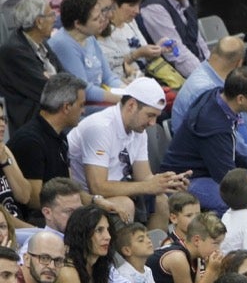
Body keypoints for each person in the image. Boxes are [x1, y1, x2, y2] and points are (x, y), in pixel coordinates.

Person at [67, 77, 186, 229]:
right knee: (125, 204)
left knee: (160, 200)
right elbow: (97, 187)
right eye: (150, 115)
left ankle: (156, 251)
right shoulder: (100, 127)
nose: (153, 123)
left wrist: (168, 182)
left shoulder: (139, 130)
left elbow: (144, 177)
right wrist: (148, 186)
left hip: (118, 189)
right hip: (86, 198)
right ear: (131, 105)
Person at [161, 68, 247, 215]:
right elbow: (227, 177)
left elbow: (225, 150)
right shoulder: (213, 125)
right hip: (186, 178)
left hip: (208, 170)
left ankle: (244, 225)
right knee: (234, 200)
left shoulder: (217, 96)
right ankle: (226, 234)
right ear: (240, 99)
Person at [8, 73, 86, 220]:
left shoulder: (60, 136)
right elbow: (34, 200)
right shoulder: (30, 141)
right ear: (67, 107)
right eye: (81, 105)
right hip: (37, 220)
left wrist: (96, 201)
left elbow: (68, 185)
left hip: (61, 212)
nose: (84, 111)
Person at [139, 0, 211, 79]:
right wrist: (207, 80)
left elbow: (201, 46)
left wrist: (215, 72)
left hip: (194, 75)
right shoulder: (154, 7)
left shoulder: (185, 4)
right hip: (170, 82)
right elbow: (178, 56)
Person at [50, 0, 124, 110]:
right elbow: (84, 90)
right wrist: (124, 99)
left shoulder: (89, 37)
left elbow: (108, 77)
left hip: (100, 100)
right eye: (95, 19)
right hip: (81, 108)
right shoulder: (63, 44)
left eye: (100, 14)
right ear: (78, 24)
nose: (102, 20)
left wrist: (126, 91)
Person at [0, 0, 63, 130]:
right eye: (51, 15)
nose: (55, 19)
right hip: (32, 119)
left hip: (52, 111)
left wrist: (52, 78)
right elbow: (48, 92)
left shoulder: (41, 41)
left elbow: (66, 76)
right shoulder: (14, 51)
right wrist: (54, 80)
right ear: (39, 22)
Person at [149, 211, 226, 283]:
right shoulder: (178, 258)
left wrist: (211, 269)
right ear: (197, 240)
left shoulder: (195, 256)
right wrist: (211, 270)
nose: (218, 249)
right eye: (216, 243)